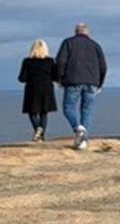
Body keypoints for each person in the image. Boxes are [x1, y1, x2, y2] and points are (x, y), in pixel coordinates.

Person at [55, 23, 108, 151]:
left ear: (75, 31)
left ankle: (77, 128)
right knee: (87, 110)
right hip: (92, 82)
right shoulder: (95, 45)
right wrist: (100, 83)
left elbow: (61, 61)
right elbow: (103, 66)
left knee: (68, 107)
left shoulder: (68, 43)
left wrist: (59, 79)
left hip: (73, 81)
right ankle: (83, 140)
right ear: (87, 32)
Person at [18, 39, 58, 142]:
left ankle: (38, 130)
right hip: (47, 88)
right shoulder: (50, 61)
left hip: (32, 88)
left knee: (32, 112)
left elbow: (22, 78)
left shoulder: (27, 61)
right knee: (44, 112)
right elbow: (56, 77)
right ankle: (41, 135)